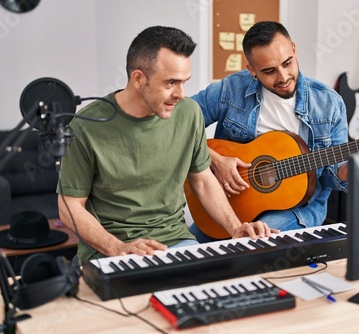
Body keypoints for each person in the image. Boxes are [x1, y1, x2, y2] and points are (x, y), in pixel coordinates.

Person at [57, 26, 277, 263]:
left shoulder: (188, 113)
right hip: (110, 250)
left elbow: (203, 181)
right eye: (171, 83)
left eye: (184, 82)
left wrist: (235, 228)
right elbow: (69, 208)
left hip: (176, 242)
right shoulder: (86, 127)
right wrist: (118, 247)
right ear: (139, 79)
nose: (181, 94)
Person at [190, 21, 359, 242]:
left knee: (253, 244)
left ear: (294, 49)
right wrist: (214, 159)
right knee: (183, 259)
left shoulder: (329, 104)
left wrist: (352, 169)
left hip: (297, 208)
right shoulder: (231, 89)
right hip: (226, 202)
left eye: (287, 63)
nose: (282, 77)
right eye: (269, 71)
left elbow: (330, 176)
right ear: (251, 70)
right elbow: (177, 121)